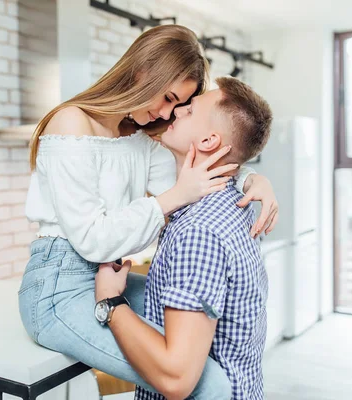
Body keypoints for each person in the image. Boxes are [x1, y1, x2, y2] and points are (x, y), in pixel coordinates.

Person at [19, 25, 278, 399]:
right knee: (208, 383)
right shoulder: (70, 122)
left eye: (179, 105)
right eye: (169, 97)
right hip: (57, 288)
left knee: (199, 337)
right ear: (142, 71)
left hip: (107, 275)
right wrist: (172, 198)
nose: (167, 112)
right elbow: (93, 240)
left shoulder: (137, 139)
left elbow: (198, 169)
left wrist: (253, 178)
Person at [95, 77, 272, 400]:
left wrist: (111, 302)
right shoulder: (234, 206)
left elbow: (176, 378)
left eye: (189, 110)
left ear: (208, 141)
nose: (176, 111)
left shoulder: (198, 231)